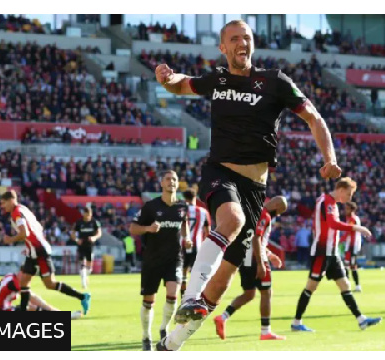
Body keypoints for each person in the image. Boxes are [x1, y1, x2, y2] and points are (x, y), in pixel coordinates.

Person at [156, 19, 341, 352]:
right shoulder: (217, 79)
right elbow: (183, 85)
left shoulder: (274, 82)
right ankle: (190, 296)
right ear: (223, 47)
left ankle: (171, 344)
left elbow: (313, 117)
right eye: (234, 39)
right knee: (232, 220)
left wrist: (329, 157)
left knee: (222, 283)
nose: (242, 43)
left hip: (255, 189)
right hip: (220, 173)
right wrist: (168, 79)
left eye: (247, 38)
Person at [291, 178, 381, 332]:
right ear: (340, 190)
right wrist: (357, 228)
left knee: (345, 285)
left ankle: (361, 320)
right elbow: (332, 224)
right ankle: (296, 323)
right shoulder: (327, 202)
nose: (349, 198)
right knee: (311, 287)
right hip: (321, 252)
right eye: (348, 194)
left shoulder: (330, 202)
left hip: (332, 253)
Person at [0, 190, 91, 314]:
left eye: (4, 203)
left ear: (11, 200)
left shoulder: (16, 213)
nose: (2, 206)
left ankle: (83, 297)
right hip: (34, 250)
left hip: (39, 251)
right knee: (24, 282)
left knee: (49, 283)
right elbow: (37, 228)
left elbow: (24, 233)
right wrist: (29, 245)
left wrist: (11, 239)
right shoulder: (23, 209)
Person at [129, 170, 190, 351]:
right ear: (161, 184)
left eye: (174, 179)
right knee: (149, 301)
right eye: (168, 179)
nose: (171, 182)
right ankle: (146, 336)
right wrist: (148, 228)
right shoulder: (150, 207)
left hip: (174, 259)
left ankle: (164, 328)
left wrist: (186, 239)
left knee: (173, 295)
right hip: (152, 260)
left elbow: (184, 226)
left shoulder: (182, 207)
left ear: (177, 184)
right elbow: (133, 228)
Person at [214, 196, 287, 341]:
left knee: (249, 294)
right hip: (256, 261)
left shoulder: (255, 213)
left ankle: (222, 317)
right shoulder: (264, 215)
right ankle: (266, 331)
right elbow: (256, 239)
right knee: (266, 293)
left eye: (275, 203)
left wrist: (270, 254)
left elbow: (252, 238)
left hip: (245, 260)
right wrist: (261, 263)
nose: (270, 202)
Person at [0, 272, 82, 319]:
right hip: (2, 311)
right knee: (31, 307)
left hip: (2, 308)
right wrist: (45, 307)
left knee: (33, 304)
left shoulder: (12, 277)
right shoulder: (15, 283)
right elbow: (32, 298)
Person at [181, 189, 211, 298]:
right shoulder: (203, 212)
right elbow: (208, 233)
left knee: (183, 273)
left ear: (185, 198)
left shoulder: (180, 211)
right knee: (196, 274)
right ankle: (194, 298)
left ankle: (182, 298)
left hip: (182, 245)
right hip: (197, 247)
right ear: (195, 197)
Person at [71, 207, 102, 289]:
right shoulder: (79, 222)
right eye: (87, 214)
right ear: (83, 214)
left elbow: (99, 233)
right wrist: (77, 240)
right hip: (81, 245)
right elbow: (73, 234)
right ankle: (83, 282)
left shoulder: (94, 222)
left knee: (89, 265)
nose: (89, 216)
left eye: (90, 214)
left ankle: (86, 275)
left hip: (90, 245)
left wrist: (94, 237)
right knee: (82, 263)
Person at [343, 202, 363, 292]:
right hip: (351, 245)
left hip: (352, 245)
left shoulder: (352, 219)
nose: (345, 210)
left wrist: (339, 240)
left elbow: (349, 232)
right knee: (349, 265)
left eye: (347, 208)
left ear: (352, 209)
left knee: (349, 265)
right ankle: (353, 286)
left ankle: (354, 286)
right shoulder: (354, 218)